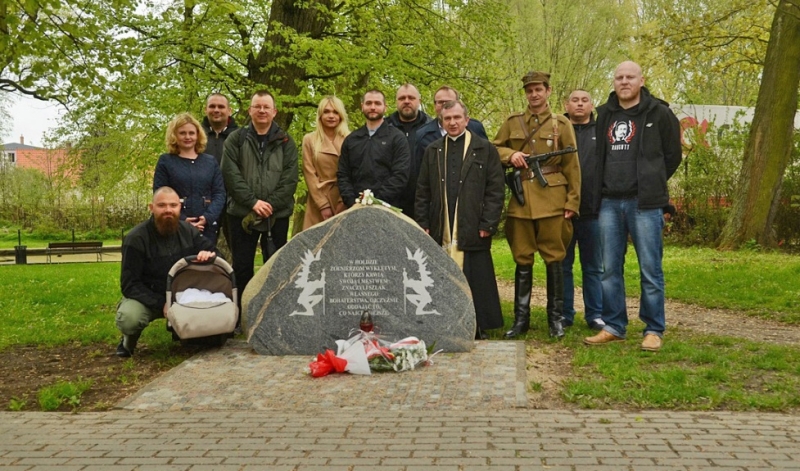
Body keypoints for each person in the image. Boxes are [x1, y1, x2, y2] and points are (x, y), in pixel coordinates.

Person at [583, 61, 682, 352]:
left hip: (645, 204)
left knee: (650, 269)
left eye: (630, 77)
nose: (624, 81)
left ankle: (653, 329)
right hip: (609, 203)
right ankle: (614, 325)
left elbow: (672, 156)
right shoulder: (604, 115)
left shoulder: (660, 113)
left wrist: (653, 183)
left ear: (641, 80)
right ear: (614, 82)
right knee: (609, 269)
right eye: (619, 77)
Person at [493, 71, 581, 339]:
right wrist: (512, 154)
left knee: (554, 258)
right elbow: (493, 148)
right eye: (529, 90)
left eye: (538, 89)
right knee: (522, 258)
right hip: (521, 202)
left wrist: (573, 201)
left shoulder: (562, 124)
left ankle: (555, 319)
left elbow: (572, 165)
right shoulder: (512, 122)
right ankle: (522, 320)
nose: (534, 94)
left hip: (553, 199)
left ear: (548, 91)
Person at [415, 100, 505, 339]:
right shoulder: (433, 150)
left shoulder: (485, 149)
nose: (453, 123)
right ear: (441, 121)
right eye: (448, 119)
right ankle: (443, 322)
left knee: (476, 275)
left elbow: (496, 189)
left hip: (473, 224)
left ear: (467, 119)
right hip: (440, 224)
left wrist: (488, 223)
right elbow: (422, 190)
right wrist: (423, 222)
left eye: (457, 118)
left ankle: (478, 325)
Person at [115, 186, 217, 357]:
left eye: (173, 205)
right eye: (162, 205)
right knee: (129, 319)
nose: (168, 210)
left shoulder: (189, 231)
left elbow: (216, 255)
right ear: (151, 208)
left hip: (185, 295)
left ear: (180, 207)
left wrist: (209, 254)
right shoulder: (136, 239)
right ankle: (128, 341)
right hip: (150, 298)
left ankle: (187, 334)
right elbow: (129, 285)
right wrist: (162, 302)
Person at [221, 90, 298, 307]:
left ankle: (273, 313)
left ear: (274, 112)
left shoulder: (286, 141)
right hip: (241, 214)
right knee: (242, 266)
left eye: (266, 107)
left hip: (277, 215)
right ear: (250, 110)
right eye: (258, 106)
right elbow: (230, 174)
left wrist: (270, 204)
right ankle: (242, 313)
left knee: (274, 267)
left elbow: (289, 179)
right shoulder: (235, 139)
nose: (262, 111)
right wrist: (253, 203)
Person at [562, 90, 604, 330]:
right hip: (563, 211)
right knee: (562, 265)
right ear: (566, 104)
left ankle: (595, 314)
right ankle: (565, 313)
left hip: (594, 211)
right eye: (575, 100)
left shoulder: (601, 131)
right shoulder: (557, 130)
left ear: (591, 105)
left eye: (584, 100)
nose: (579, 104)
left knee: (593, 267)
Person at [153, 112, 225, 247]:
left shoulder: (210, 162)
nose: (187, 137)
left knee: (204, 265)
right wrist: (183, 220)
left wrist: (207, 218)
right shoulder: (165, 161)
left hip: (206, 228)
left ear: (198, 135)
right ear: (175, 135)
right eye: (182, 133)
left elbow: (219, 194)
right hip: (175, 227)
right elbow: (159, 194)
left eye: (191, 133)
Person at [337, 89, 410, 209]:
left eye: (377, 103)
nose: (373, 107)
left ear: (385, 107)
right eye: (369, 103)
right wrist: (351, 201)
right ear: (362, 106)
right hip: (354, 207)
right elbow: (343, 174)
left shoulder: (397, 138)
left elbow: (400, 175)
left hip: (387, 207)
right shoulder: (352, 140)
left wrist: (375, 201)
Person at [301, 96, 351, 230]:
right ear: (320, 115)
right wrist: (323, 205)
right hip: (318, 200)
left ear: (341, 115)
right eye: (327, 111)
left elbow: (353, 173)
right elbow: (309, 173)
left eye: (335, 112)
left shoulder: (350, 139)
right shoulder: (309, 140)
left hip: (344, 198)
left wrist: (343, 201)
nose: (331, 116)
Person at [385, 83, 432, 217]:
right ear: (396, 102)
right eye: (402, 98)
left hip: (423, 203)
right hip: (391, 201)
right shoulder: (384, 128)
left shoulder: (431, 128)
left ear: (419, 101)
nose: (406, 101)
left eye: (411, 98)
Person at [415, 86, 488, 161]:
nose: (444, 105)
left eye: (448, 102)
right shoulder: (423, 134)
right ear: (435, 105)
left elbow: (487, 158)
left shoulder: (475, 128)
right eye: (440, 102)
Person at [202, 93, 239, 165]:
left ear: (229, 111)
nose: (216, 110)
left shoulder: (240, 136)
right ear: (205, 110)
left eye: (221, 107)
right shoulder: (195, 135)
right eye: (212, 106)